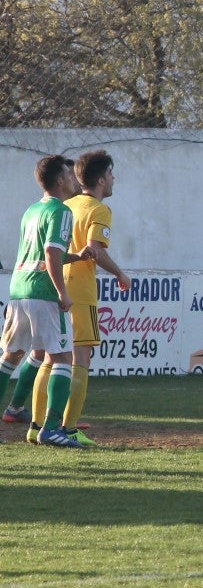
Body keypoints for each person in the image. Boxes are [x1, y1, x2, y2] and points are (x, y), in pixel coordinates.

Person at [0, 155, 97, 449]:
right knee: (63, 358)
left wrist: (76, 257)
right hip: (43, 294)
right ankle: (52, 428)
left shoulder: (31, 211)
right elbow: (51, 254)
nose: (74, 179)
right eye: (69, 175)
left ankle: (24, 414)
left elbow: (42, 254)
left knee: (10, 357)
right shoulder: (61, 210)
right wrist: (62, 293)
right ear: (59, 181)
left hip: (18, 290)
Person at [52, 150, 132, 447]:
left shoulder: (67, 203)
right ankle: (69, 427)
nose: (113, 180)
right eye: (111, 174)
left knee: (54, 357)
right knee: (81, 359)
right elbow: (95, 249)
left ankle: (41, 424)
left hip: (56, 283)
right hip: (80, 291)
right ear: (100, 179)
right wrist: (120, 274)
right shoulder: (98, 210)